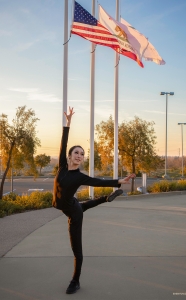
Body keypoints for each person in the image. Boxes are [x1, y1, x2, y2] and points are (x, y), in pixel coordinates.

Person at [53, 107, 136, 294]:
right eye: (76, 153)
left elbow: (98, 181)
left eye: (82, 154)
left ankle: (75, 281)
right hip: (71, 205)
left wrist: (119, 181)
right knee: (81, 206)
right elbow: (63, 142)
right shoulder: (61, 167)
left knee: (77, 249)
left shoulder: (80, 176)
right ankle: (106, 199)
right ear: (69, 156)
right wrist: (68, 123)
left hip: (73, 213)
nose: (79, 156)